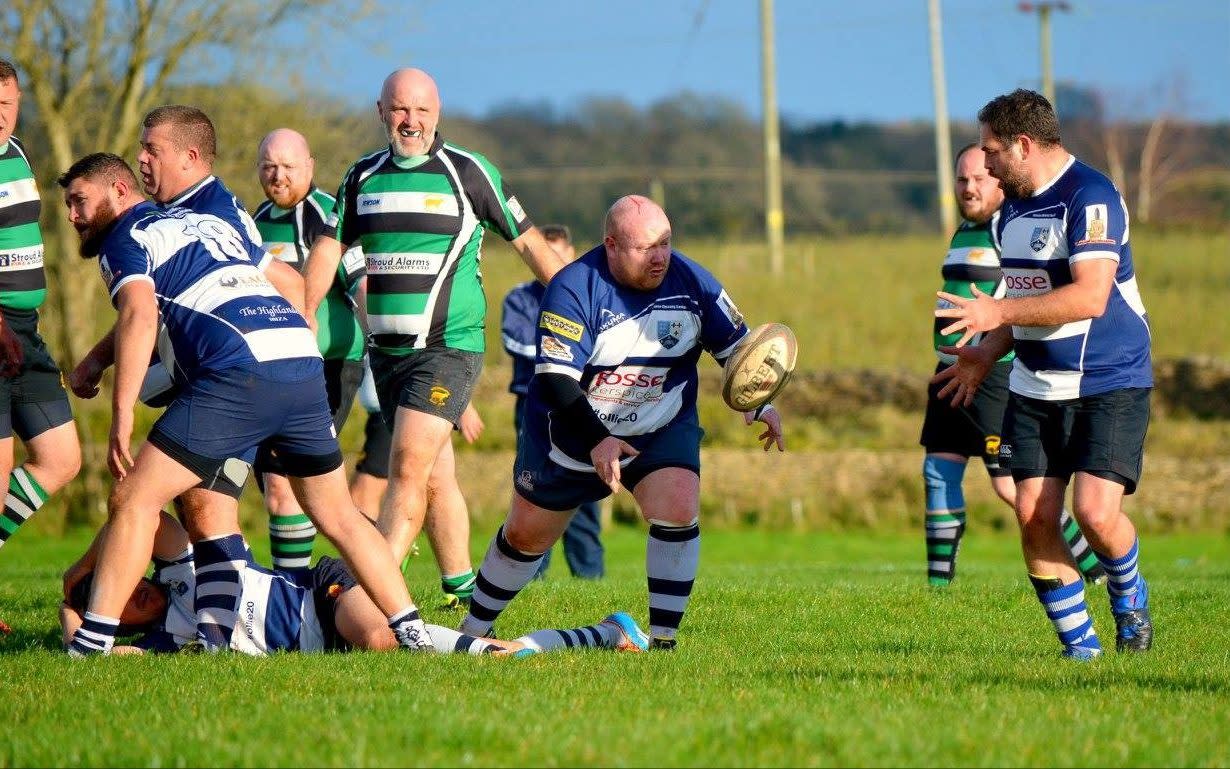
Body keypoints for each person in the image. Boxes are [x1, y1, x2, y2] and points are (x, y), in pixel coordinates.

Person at [58, 152, 435, 655]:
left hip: (238, 376)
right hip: (300, 364)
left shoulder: (128, 239)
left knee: (133, 499)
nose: (72, 216)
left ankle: (91, 643)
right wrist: (94, 363)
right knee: (336, 513)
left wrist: (122, 412)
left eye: (80, 201)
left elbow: (139, 314)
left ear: (120, 191)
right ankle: (410, 629)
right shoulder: (209, 221)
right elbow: (292, 284)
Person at [459, 195, 785, 649]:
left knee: (678, 505)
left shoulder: (695, 283)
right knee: (527, 535)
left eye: (666, 243)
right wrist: (599, 439)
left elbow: (738, 351)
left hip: (661, 424)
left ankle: (663, 643)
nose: (660, 257)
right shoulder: (573, 287)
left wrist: (758, 402)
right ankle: (473, 630)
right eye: (645, 247)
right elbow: (555, 379)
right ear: (611, 245)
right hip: (572, 432)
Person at [304, 68, 567, 595]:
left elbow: (530, 244)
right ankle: (460, 583)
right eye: (401, 109)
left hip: (449, 348)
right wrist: (304, 317)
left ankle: (370, 597)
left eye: (422, 110)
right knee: (435, 474)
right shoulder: (361, 177)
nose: (411, 121)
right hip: (386, 354)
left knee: (405, 468)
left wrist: (581, 307)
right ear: (381, 112)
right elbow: (329, 248)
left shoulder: (468, 172)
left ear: (438, 113)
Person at [934, 89, 1153, 659]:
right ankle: (1081, 652)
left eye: (991, 151)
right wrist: (987, 352)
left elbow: (1090, 297)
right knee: (1032, 513)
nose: (984, 164)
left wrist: (996, 312)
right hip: (1034, 383)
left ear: (1023, 146)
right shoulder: (1008, 210)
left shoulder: (1092, 197)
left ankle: (1130, 597)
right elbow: (1031, 299)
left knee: (1095, 515)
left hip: (1110, 379)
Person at [60, 510, 649, 656]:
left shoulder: (179, 567)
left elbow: (137, 516)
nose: (138, 594)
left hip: (324, 592)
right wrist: (81, 618)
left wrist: (75, 579)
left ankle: (568, 640)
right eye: (127, 605)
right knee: (402, 648)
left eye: (129, 585)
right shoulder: (158, 644)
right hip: (320, 640)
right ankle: (601, 634)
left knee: (382, 642)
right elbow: (87, 651)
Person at [922, 142, 1105, 587]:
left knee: (1011, 488)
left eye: (979, 179)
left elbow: (1030, 294)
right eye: (962, 179)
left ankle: (1094, 572)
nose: (969, 188)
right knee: (937, 471)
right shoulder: (964, 229)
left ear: (998, 180)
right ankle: (937, 588)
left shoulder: (1010, 225)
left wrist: (991, 341)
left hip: (994, 372)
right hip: (949, 369)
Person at [252, 128, 367, 572]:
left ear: (311, 166)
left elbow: (363, 284)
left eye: (288, 167)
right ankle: (293, 590)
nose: (278, 176)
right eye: (269, 167)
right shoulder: (251, 221)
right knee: (283, 488)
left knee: (290, 479)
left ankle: (294, 590)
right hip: (268, 370)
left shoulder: (329, 217)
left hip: (331, 367)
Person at [0, 60, 82, 556]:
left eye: (6, 104)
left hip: (25, 331)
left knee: (61, 458)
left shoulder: (20, 153)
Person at [500, 224, 604, 579]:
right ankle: (531, 577)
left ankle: (590, 578)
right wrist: (565, 353)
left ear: (572, 255)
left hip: (581, 406)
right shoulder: (518, 298)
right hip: (533, 407)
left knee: (585, 497)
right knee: (534, 489)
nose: (551, 264)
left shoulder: (592, 296)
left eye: (559, 255)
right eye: (545, 255)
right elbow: (517, 342)